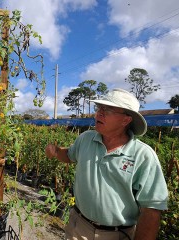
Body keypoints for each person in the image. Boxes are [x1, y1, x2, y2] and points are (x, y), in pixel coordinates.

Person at [45, 88, 168, 240]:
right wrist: (56, 151)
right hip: (78, 225)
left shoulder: (143, 155)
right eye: (99, 108)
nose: (99, 113)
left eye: (108, 110)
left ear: (126, 120)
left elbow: (151, 210)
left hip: (115, 235)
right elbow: (70, 155)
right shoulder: (86, 139)